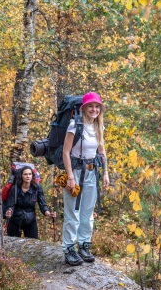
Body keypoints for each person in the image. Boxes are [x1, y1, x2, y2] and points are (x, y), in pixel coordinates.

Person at [62, 92, 109, 265]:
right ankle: (68, 248)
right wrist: (70, 177)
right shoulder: (75, 125)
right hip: (75, 171)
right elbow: (65, 153)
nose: (94, 109)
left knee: (87, 212)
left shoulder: (99, 127)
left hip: (92, 172)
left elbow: (101, 152)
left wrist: (105, 172)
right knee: (72, 212)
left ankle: (83, 245)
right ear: (84, 108)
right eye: (91, 106)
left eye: (97, 107)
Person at [4, 166, 56, 239]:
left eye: (30, 174)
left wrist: (48, 214)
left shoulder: (37, 188)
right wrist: (9, 211)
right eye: (25, 174)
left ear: (32, 176)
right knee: (13, 243)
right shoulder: (15, 189)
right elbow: (10, 204)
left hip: (31, 219)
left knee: (33, 242)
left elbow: (43, 205)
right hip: (15, 219)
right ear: (21, 176)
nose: (28, 176)